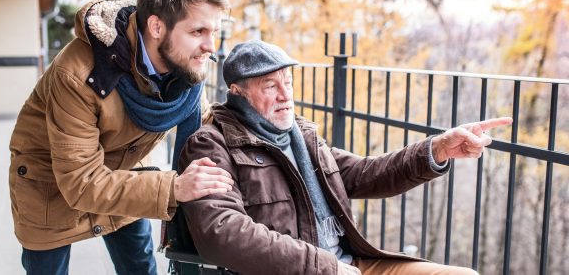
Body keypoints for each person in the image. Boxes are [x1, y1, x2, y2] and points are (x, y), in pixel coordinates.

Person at [178, 40, 513, 275]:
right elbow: (223, 233)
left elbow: (367, 173)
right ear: (237, 93)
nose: (285, 97)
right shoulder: (211, 144)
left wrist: (437, 148)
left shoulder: (301, 138)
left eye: (288, 84)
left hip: (350, 263)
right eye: (270, 87)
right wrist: (324, 267)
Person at [8, 0, 235, 274]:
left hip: (122, 171)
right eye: (198, 31)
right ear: (156, 27)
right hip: (49, 181)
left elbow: (204, 123)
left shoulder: (184, 69)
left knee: (140, 268)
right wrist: (174, 187)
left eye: (214, 32)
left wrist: (262, 116)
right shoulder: (78, 74)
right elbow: (81, 182)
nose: (209, 46)